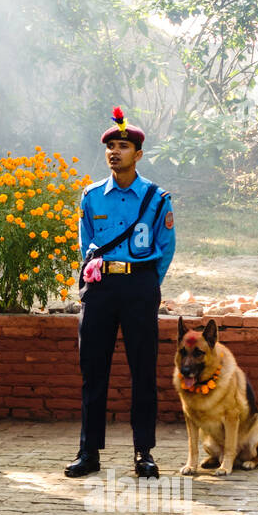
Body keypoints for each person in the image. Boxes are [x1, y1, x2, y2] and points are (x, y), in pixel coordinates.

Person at [65, 106, 175, 479]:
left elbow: (166, 246)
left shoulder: (157, 199)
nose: (115, 151)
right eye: (111, 145)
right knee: (92, 371)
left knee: (143, 371)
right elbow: (86, 245)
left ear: (138, 154)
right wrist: (99, 277)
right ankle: (88, 452)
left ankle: (144, 452)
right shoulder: (92, 196)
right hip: (100, 289)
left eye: (123, 146)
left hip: (141, 287)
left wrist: (145, 283)